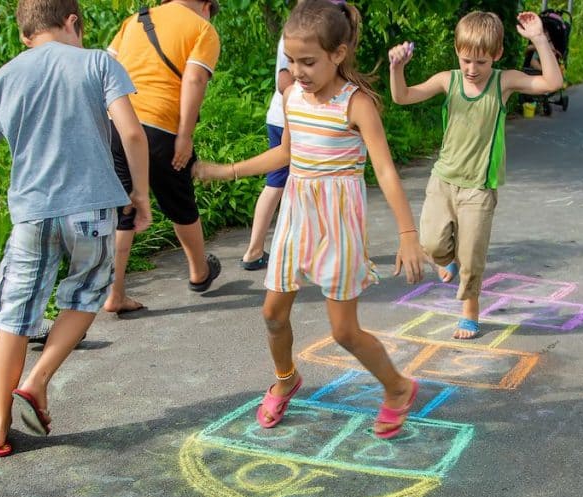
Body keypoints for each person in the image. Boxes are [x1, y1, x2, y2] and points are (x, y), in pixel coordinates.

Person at [0, 0, 150, 457]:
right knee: (88, 294)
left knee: (16, 315)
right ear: (72, 22)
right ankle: (37, 380)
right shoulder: (99, 62)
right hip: (91, 210)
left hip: (31, 213)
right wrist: (140, 194)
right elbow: (131, 133)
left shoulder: (4, 77)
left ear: (26, 36)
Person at [195, 0, 425, 439]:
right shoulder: (291, 96)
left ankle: (397, 388)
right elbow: (287, 152)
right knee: (272, 315)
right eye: (291, 60)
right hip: (297, 215)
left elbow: (387, 171)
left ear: (338, 54)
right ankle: (286, 378)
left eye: (308, 61)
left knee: (344, 332)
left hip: (338, 222)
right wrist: (227, 170)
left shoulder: (356, 104)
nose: (297, 71)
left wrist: (408, 234)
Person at [388, 11, 563, 339]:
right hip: (443, 181)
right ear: (457, 51)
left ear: (495, 55)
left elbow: (552, 83)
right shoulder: (448, 80)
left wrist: (539, 38)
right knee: (432, 243)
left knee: (472, 255)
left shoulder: (503, 81)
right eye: (467, 60)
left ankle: (469, 308)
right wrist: (396, 68)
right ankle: (448, 261)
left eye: (481, 62)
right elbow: (403, 96)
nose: (472, 69)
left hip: (479, 189)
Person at [105, 0, 223, 314]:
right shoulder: (203, 28)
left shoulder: (135, 20)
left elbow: (106, 68)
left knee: (125, 208)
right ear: (207, 6)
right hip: (161, 129)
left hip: (117, 123)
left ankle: (115, 293)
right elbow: (195, 80)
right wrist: (184, 135)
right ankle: (199, 272)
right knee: (179, 200)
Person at [240, 34, 294, 271]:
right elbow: (285, 82)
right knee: (286, 182)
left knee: (277, 183)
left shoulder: (293, 28)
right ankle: (255, 250)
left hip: (280, 116)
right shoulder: (308, 30)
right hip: (292, 117)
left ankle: (255, 250)